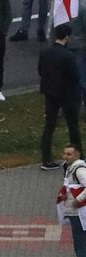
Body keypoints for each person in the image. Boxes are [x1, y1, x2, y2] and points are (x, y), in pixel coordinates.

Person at [41, 26, 82, 168]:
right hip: (68, 95)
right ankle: (78, 158)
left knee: (49, 126)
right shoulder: (68, 56)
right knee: (73, 126)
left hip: (50, 93)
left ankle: (46, 159)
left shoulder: (45, 52)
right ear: (66, 37)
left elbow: (41, 71)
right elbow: (75, 76)